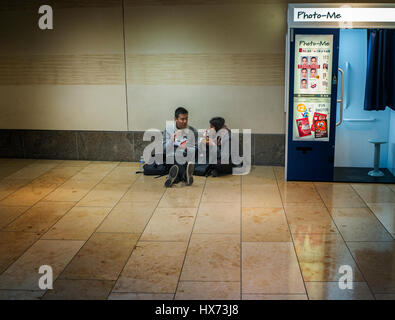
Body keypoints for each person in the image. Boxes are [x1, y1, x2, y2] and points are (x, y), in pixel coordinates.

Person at [162, 107, 197, 188]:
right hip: (170, 159)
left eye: (186, 119)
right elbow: (163, 150)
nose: (185, 121)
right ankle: (185, 176)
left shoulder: (192, 130)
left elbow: (195, 150)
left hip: (185, 158)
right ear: (175, 119)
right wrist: (172, 139)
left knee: (180, 162)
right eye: (182, 119)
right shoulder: (169, 130)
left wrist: (187, 148)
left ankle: (173, 178)